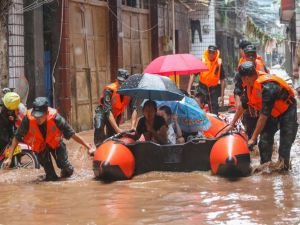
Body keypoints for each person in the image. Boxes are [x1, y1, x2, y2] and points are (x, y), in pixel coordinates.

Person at [221, 61, 298, 171]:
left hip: (287, 112)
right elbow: (243, 106)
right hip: (273, 113)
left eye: (242, 79)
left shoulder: (268, 87)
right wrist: (232, 124)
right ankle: (265, 169)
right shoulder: (250, 86)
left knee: (284, 147)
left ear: (247, 78)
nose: (241, 82)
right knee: (264, 142)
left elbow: (263, 116)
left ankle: (284, 172)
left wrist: (253, 138)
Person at [3, 97, 94, 181]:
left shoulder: (57, 119)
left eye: (40, 116)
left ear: (46, 113)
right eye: (35, 116)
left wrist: (87, 146)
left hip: (55, 143)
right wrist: (10, 158)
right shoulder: (28, 119)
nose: (37, 119)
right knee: (51, 178)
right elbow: (16, 137)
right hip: (40, 147)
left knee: (67, 169)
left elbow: (73, 134)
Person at [94, 69, 137, 147]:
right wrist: (117, 129)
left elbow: (134, 108)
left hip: (116, 114)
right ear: (116, 80)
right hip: (103, 112)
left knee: (112, 136)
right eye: (120, 81)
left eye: (124, 82)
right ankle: (98, 148)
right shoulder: (109, 90)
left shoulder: (131, 91)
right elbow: (107, 111)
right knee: (99, 127)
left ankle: (109, 149)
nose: (122, 83)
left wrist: (133, 126)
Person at [234, 45, 269, 140]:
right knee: (249, 129)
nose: (251, 57)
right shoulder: (241, 71)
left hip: (261, 103)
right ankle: (252, 146)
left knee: (265, 130)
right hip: (248, 103)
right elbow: (237, 89)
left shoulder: (262, 68)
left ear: (256, 55)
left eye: (253, 55)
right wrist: (238, 103)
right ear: (244, 56)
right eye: (248, 55)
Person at [187, 45, 226, 114]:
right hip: (202, 87)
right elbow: (193, 75)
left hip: (213, 89)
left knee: (214, 110)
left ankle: (213, 121)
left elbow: (222, 80)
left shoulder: (219, 64)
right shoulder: (202, 61)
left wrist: (222, 96)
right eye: (209, 52)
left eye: (213, 53)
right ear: (207, 52)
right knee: (197, 106)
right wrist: (188, 89)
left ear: (216, 53)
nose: (211, 54)